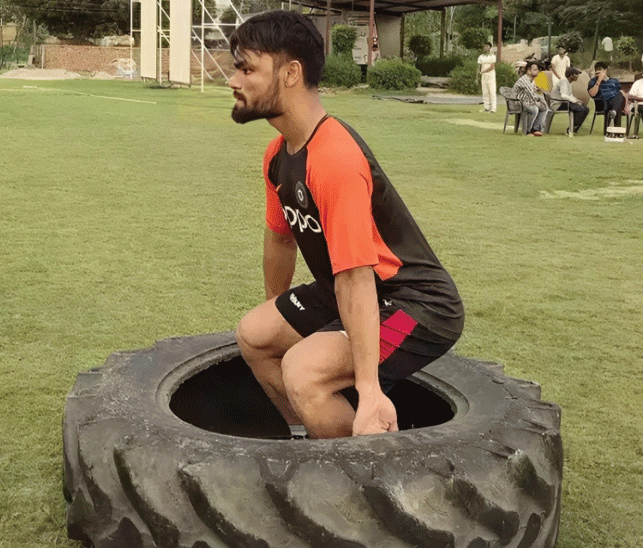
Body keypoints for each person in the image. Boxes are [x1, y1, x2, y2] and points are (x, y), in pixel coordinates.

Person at [228, 10, 464, 439]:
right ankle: (306, 439)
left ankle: (356, 467)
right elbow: (281, 240)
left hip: (415, 303)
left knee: (303, 371)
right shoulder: (278, 155)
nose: (233, 80)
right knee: (256, 334)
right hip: (345, 289)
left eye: (247, 70)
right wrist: (278, 311)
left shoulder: (334, 158)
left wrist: (370, 390)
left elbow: (356, 277)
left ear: (291, 73)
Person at [512, 60, 548, 136]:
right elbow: (531, 95)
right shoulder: (524, 80)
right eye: (535, 70)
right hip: (518, 102)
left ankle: (536, 129)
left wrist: (541, 100)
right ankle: (527, 131)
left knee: (544, 108)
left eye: (538, 70)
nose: (537, 72)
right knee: (534, 109)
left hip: (527, 101)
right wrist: (539, 100)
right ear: (528, 70)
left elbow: (534, 94)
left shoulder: (531, 81)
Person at [550, 67, 589, 134]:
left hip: (564, 102)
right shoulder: (564, 81)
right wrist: (574, 101)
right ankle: (571, 129)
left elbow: (570, 95)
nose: (577, 76)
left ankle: (574, 129)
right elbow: (563, 96)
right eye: (576, 74)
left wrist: (577, 100)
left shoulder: (569, 82)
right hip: (558, 104)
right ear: (570, 75)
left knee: (586, 109)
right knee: (580, 109)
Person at [587, 61, 625, 127]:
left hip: (614, 102)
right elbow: (592, 94)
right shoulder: (593, 81)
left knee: (619, 94)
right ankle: (615, 125)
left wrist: (627, 105)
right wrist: (598, 81)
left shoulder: (614, 81)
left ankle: (613, 112)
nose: (598, 71)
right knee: (618, 105)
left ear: (605, 70)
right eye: (596, 70)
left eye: (600, 70)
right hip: (602, 102)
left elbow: (622, 92)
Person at [477, 42, 497, 113]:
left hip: (491, 76)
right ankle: (486, 107)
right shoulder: (481, 57)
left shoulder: (492, 56)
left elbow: (492, 67)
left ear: (490, 48)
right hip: (484, 76)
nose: (485, 48)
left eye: (487, 46)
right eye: (484, 46)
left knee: (492, 91)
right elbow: (479, 67)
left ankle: (493, 108)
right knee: (485, 92)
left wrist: (483, 71)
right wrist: (477, 77)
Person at [625, 72, 643, 138]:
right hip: (639, 104)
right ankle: (635, 133)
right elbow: (630, 96)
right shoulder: (638, 83)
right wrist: (641, 99)